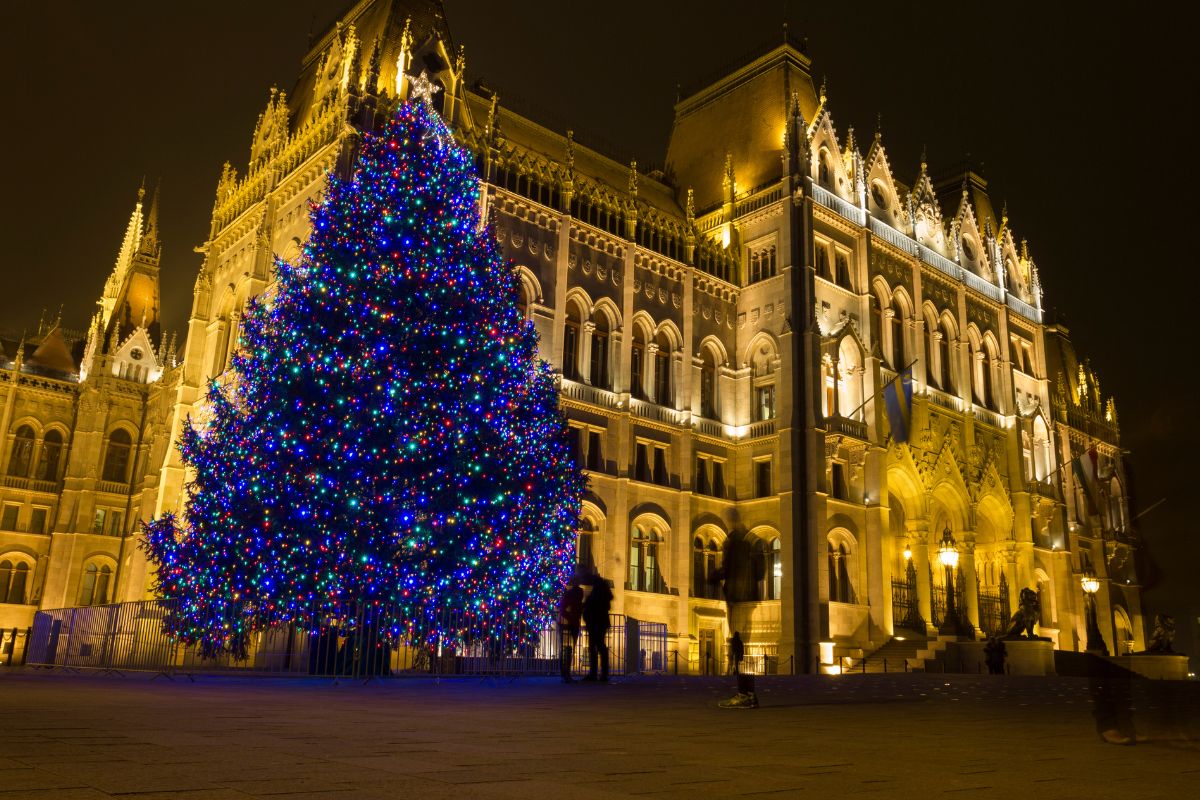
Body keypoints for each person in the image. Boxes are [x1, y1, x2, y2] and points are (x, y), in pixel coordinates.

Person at [582, 573, 613, 682]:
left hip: (596, 623)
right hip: (598, 622)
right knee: (598, 647)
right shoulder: (602, 593)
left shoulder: (598, 593)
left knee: (597, 647)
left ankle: (597, 674)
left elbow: (593, 607)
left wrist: (587, 609)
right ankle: (600, 673)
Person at [719, 629, 758, 709]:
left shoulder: (735, 641)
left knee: (739, 668)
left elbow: (733, 648)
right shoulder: (739, 641)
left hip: (736, 655)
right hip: (739, 655)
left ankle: (743, 696)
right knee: (742, 669)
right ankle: (750, 697)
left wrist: (733, 653)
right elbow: (741, 648)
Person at [558, 579, 583, 683]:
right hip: (568, 624)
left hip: (569, 623)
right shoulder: (571, 596)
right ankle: (565, 673)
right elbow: (563, 610)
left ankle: (565, 673)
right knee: (568, 649)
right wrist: (572, 618)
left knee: (568, 649)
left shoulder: (571, 595)